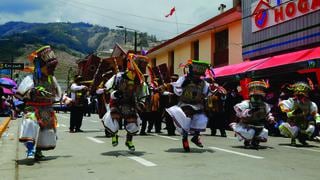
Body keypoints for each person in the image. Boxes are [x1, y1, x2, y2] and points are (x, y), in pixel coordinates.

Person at [16, 45, 62, 160]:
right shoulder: (31, 78)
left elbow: (58, 94)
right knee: (30, 125)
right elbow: (20, 94)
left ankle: (39, 151)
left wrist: (66, 99)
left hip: (47, 109)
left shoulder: (52, 79)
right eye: (49, 67)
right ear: (40, 66)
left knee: (45, 132)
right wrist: (32, 92)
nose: (52, 70)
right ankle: (31, 149)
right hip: (33, 108)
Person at [102, 54, 149, 151]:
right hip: (117, 102)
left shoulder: (140, 81)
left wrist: (141, 102)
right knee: (114, 118)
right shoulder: (118, 76)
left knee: (132, 121)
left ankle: (129, 141)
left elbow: (142, 93)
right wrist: (115, 93)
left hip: (130, 103)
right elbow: (108, 88)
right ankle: (114, 135)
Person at [165, 60, 211, 152]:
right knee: (187, 119)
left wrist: (211, 91)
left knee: (201, 119)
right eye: (196, 74)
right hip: (185, 103)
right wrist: (182, 85)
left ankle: (195, 137)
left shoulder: (204, 83)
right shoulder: (183, 79)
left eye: (199, 74)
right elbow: (177, 91)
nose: (198, 76)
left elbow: (206, 94)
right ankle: (185, 139)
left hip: (197, 104)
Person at [230, 80, 275, 148]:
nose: (257, 99)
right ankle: (247, 140)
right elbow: (241, 114)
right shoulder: (246, 104)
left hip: (259, 124)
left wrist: (270, 119)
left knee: (263, 132)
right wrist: (250, 112)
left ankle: (255, 141)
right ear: (251, 97)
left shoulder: (265, 105)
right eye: (255, 97)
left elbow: (268, 114)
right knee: (250, 133)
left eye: (259, 97)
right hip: (247, 124)